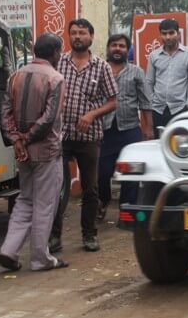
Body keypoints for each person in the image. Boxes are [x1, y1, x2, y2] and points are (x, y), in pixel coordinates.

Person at [0, 33, 69, 271]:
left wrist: (17, 140)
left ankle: (9, 250)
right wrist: (27, 138)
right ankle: (40, 258)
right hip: (46, 151)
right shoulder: (55, 78)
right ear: (56, 52)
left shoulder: (15, 76)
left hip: (22, 153)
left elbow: (4, 111)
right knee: (45, 204)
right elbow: (49, 118)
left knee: (25, 199)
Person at [50, 18, 118, 253]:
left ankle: (89, 235)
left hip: (90, 138)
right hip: (60, 136)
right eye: (74, 33)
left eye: (82, 33)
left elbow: (113, 101)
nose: (77, 37)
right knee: (56, 187)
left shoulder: (101, 67)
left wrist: (91, 115)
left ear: (91, 36)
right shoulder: (58, 64)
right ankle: (54, 237)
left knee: (90, 189)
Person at [97, 34, 153, 220]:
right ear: (108, 48)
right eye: (114, 45)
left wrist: (148, 129)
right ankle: (103, 201)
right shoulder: (99, 70)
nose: (117, 49)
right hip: (104, 129)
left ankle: (126, 209)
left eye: (122, 46)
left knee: (131, 172)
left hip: (129, 129)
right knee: (102, 172)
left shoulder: (137, 72)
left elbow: (145, 102)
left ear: (127, 50)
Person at [146, 19, 188, 138]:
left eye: (171, 33)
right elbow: (149, 82)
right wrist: (152, 102)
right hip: (158, 110)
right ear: (160, 35)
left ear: (178, 34)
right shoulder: (154, 56)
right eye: (164, 34)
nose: (168, 37)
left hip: (180, 110)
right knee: (158, 145)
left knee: (180, 146)